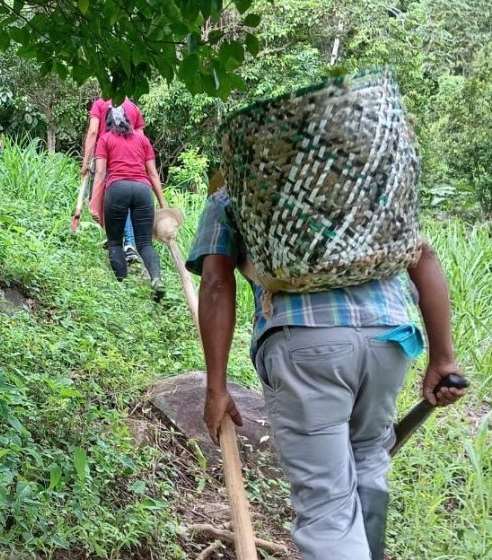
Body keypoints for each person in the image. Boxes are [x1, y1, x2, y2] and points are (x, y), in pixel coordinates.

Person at [186, 184, 467, 560]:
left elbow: (216, 281)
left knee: (326, 510)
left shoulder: (238, 190)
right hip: (389, 340)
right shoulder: (362, 183)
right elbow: (424, 256)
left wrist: (216, 388)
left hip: (307, 345)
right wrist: (443, 360)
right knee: (368, 459)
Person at [89, 106, 167, 299]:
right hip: (143, 190)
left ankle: (123, 288)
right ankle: (156, 279)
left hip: (117, 189)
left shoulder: (105, 139)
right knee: (145, 243)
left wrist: (94, 202)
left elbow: (100, 174)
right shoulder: (142, 140)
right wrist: (164, 205)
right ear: (129, 122)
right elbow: (153, 174)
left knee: (115, 242)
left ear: (107, 122)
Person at [81, 96, 146, 263]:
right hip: (131, 159)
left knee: (109, 200)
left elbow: (93, 131)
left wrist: (86, 161)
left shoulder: (100, 103)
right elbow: (142, 140)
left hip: (107, 155)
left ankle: (129, 244)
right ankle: (118, 240)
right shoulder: (133, 107)